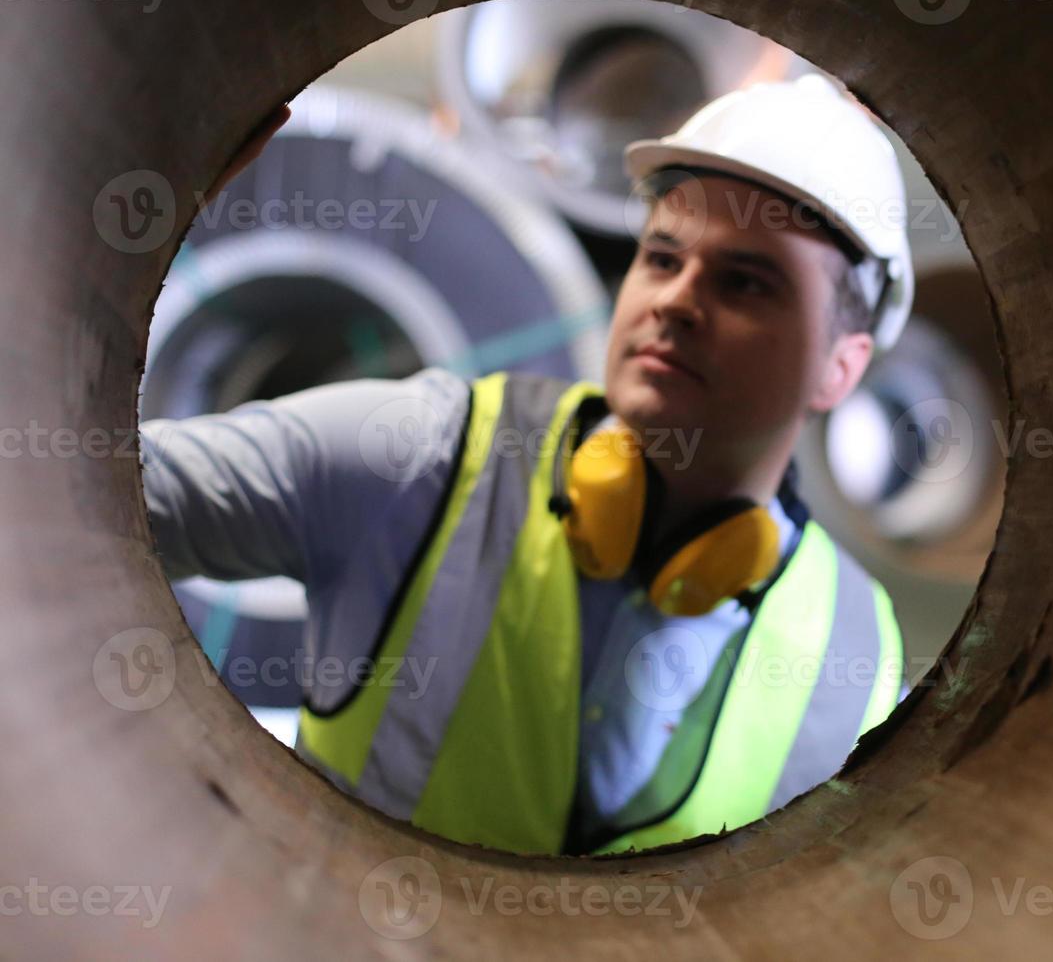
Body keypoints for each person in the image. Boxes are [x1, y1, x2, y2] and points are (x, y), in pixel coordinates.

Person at [141, 75, 915, 855]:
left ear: (840, 368)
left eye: (746, 282)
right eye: (662, 256)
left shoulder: (861, 659)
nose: (674, 301)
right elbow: (69, 500)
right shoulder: (418, 455)